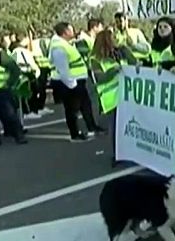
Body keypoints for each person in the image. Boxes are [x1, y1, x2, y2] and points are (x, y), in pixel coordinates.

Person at [49, 22, 105, 142]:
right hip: (69, 82)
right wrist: (71, 84)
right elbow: (62, 69)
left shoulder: (65, 44)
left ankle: (91, 127)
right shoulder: (59, 47)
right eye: (71, 30)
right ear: (65, 33)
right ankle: (75, 134)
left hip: (77, 81)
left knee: (85, 105)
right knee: (72, 109)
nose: (73, 31)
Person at [90, 30, 137, 159]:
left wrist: (127, 51)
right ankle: (117, 154)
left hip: (127, 95)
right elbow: (100, 78)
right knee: (115, 129)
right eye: (113, 37)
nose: (116, 39)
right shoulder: (95, 59)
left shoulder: (119, 53)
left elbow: (135, 64)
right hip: (111, 98)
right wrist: (113, 71)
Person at [10, 35, 41, 120]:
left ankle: (24, 112)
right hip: (27, 73)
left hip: (18, 74)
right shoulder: (23, 51)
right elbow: (31, 63)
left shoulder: (13, 51)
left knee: (22, 95)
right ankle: (29, 111)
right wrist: (37, 72)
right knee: (31, 93)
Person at [30, 32, 54, 113]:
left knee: (39, 88)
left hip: (37, 66)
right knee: (41, 88)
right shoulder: (48, 41)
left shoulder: (33, 42)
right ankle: (40, 106)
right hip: (44, 66)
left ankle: (38, 106)